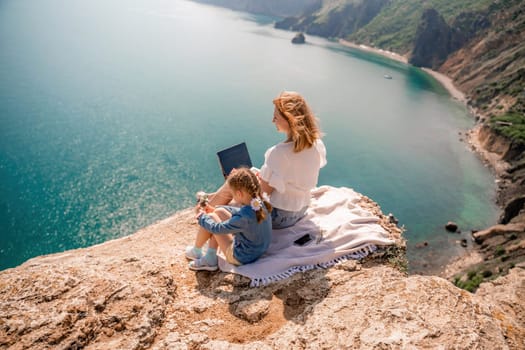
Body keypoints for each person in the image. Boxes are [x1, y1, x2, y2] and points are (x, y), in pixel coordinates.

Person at [204, 91, 327, 229]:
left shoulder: (278, 153)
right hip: (301, 208)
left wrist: (239, 181)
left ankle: (205, 212)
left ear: (289, 119)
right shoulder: (316, 144)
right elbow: (293, 175)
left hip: (278, 217)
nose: (272, 121)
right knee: (249, 174)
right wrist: (261, 178)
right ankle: (210, 203)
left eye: (276, 117)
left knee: (234, 180)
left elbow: (261, 196)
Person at [186, 168, 273, 271]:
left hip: (242, 257)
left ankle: (200, 252)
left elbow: (217, 228)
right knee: (219, 212)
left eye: (232, 194)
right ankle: (208, 254)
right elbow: (239, 212)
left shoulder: (244, 217)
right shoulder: (258, 203)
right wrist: (215, 209)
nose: (232, 197)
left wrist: (201, 217)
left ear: (239, 194)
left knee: (211, 217)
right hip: (257, 250)